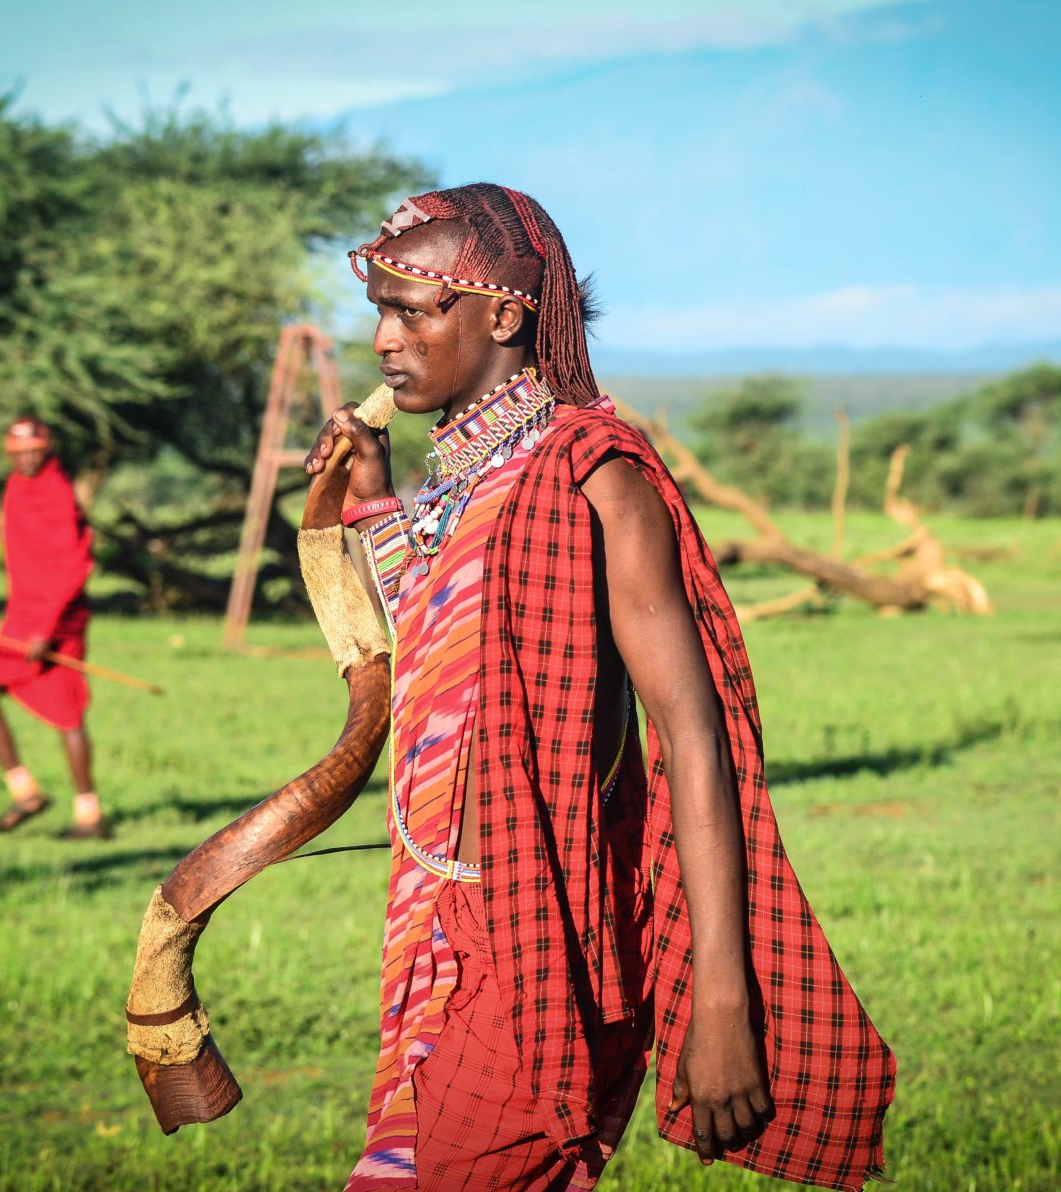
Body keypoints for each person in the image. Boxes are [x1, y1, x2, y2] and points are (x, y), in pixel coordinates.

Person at [307, 184, 894, 1189]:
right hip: (441, 923)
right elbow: (447, 652)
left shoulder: (594, 475)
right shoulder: (465, 476)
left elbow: (691, 733)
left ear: (502, 315)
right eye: (380, 310)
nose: (383, 341)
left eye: (412, 310)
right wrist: (372, 505)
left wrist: (722, 1007)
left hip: (542, 933)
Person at [0, 416, 105, 839]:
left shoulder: (56, 491)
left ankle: (90, 817)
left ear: (47, 450)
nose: (26, 459)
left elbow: (75, 563)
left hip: (56, 617)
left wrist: (46, 629)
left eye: (33, 451)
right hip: (24, 612)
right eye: (18, 453)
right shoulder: (16, 485)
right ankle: (26, 792)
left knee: (67, 714)